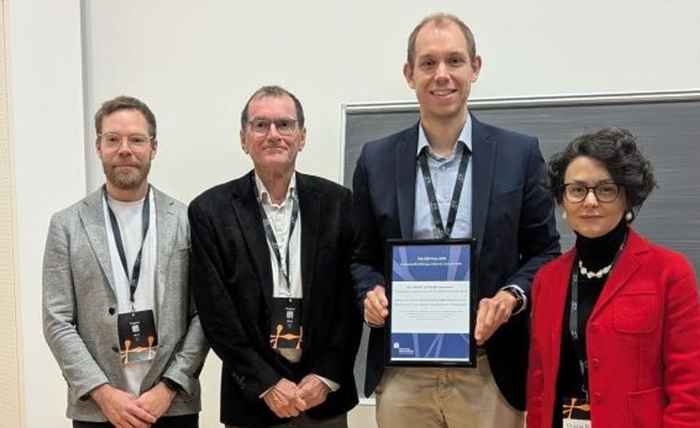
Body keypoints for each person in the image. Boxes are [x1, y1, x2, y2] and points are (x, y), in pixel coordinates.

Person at [351, 12, 560, 428]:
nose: (441, 74)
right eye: (428, 63)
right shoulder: (375, 159)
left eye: (454, 61)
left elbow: (546, 251)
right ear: (409, 74)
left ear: (475, 68)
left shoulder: (518, 154)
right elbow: (361, 257)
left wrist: (512, 297)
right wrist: (369, 292)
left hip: (489, 368)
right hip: (404, 370)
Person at [189, 85, 361, 428]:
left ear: (302, 136)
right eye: (260, 125)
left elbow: (350, 301)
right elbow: (216, 313)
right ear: (243, 138)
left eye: (284, 125)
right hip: (252, 401)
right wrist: (265, 382)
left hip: (323, 399)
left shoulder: (339, 204)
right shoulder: (210, 211)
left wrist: (326, 376)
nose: (273, 135)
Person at [43, 96, 209, 428]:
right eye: (113, 139)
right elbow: (57, 320)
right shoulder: (67, 225)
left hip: (172, 406)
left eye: (136, 139)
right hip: (99, 409)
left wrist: (169, 386)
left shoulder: (187, 219)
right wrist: (103, 392)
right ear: (98, 146)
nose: (125, 149)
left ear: (153, 147)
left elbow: (204, 314)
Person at [527, 127, 700, 427]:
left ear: (628, 198)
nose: (590, 201)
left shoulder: (669, 272)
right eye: (577, 189)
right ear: (562, 200)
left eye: (606, 189)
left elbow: (689, 383)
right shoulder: (547, 279)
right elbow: (540, 379)